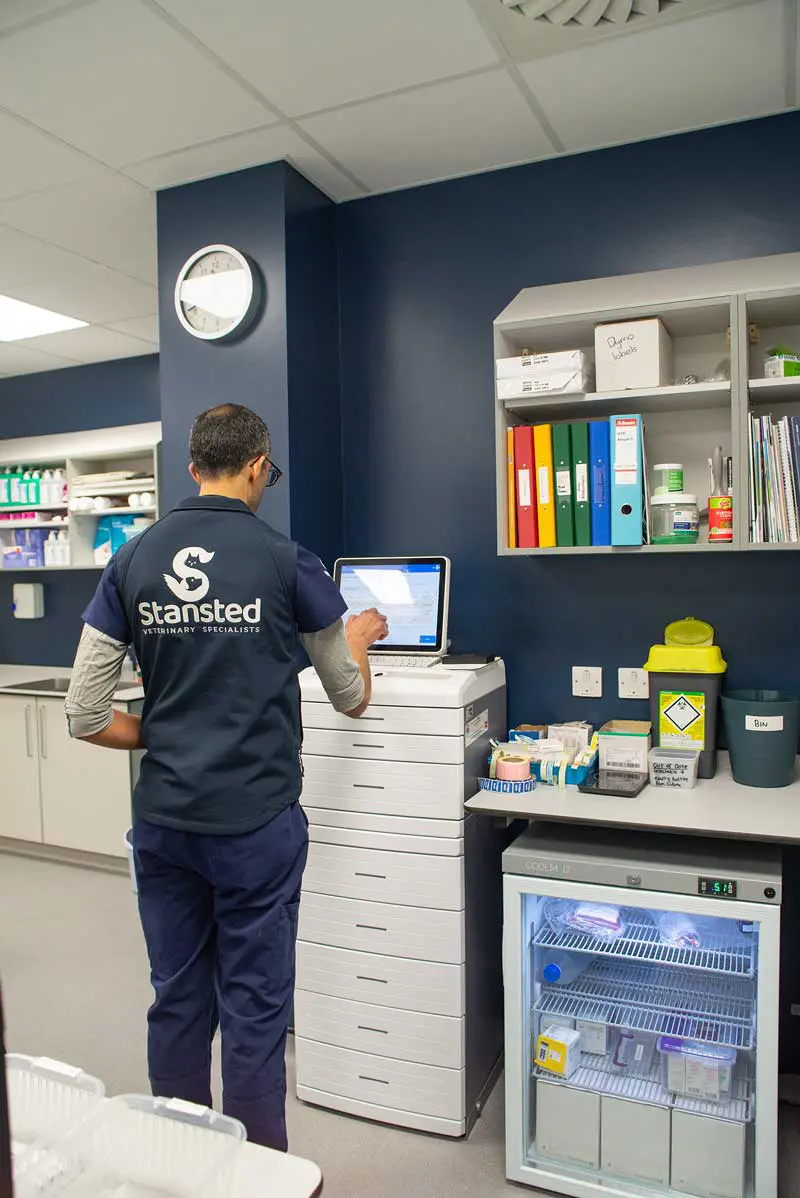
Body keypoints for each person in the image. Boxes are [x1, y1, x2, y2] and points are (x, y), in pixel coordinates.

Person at [64, 403, 388, 1151]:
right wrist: (358, 640)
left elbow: (84, 713)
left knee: (178, 1001)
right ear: (256, 468)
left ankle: (184, 1166)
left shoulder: (131, 559)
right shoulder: (287, 560)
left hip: (166, 826)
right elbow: (350, 697)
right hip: (256, 828)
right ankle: (259, 1178)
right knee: (254, 1010)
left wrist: (161, 733)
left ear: (192, 469)